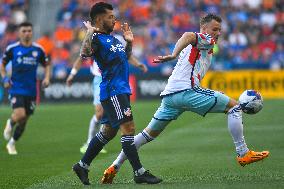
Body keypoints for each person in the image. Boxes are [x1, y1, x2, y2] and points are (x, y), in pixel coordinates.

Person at [100, 13, 270, 184]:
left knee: (146, 135)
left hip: (170, 97)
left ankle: (113, 167)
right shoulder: (205, 39)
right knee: (234, 107)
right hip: (186, 92)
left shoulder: (202, 46)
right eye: (214, 29)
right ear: (204, 29)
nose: (218, 33)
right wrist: (173, 54)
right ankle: (243, 153)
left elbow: (192, 61)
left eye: (220, 30)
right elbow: (189, 35)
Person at [71, 2, 161, 185]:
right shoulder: (95, 37)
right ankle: (139, 172)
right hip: (113, 90)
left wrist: (129, 43)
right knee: (128, 129)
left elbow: (125, 58)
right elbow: (85, 53)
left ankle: (82, 165)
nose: (114, 20)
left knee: (108, 132)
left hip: (119, 89)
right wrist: (89, 32)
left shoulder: (113, 39)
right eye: (110, 17)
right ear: (99, 19)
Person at [66, 54, 147, 154]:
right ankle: (89, 143)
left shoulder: (117, 40)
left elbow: (127, 54)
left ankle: (99, 144)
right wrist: (72, 74)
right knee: (99, 114)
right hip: (100, 79)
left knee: (107, 114)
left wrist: (138, 64)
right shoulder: (93, 41)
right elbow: (81, 58)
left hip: (114, 79)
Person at [0, 22, 50, 155]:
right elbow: (3, 65)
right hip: (16, 88)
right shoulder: (12, 49)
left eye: (29, 30)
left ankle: (12, 143)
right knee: (19, 114)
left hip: (32, 90)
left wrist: (47, 78)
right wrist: (5, 78)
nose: (27, 33)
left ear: (32, 32)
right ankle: (10, 122)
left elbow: (47, 64)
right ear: (19, 33)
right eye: (24, 31)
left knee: (23, 121)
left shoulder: (38, 49)